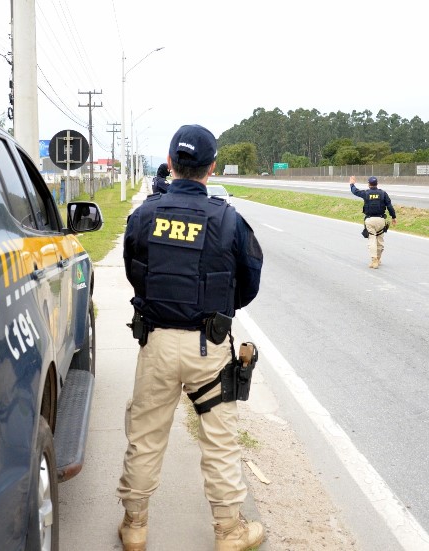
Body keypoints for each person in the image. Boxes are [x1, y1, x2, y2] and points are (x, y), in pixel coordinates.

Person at [117, 124, 265, 551]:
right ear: (211, 168)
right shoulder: (228, 219)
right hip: (209, 347)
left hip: (157, 344)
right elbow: (249, 283)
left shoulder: (144, 215)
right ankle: (229, 532)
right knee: (220, 441)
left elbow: (133, 270)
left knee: (145, 437)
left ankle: (135, 527)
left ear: (169, 163)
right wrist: (216, 307)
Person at [350, 175, 397, 268]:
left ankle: (374, 260)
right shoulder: (383, 193)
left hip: (370, 220)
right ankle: (378, 259)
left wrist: (352, 184)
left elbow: (355, 191)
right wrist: (393, 217)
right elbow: (390, 206)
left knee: (372, 239)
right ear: (377, 184)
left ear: (369, 184)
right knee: (380, 240)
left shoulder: (366, 193)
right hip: (381, 220)